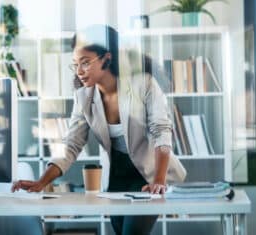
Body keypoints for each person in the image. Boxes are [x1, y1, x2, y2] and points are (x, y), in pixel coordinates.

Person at [12, 24, 186, 235]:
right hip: (116, 177)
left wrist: (159, 181)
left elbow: (161, 130)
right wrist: (42, 182)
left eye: (85, 63)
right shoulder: (83, 95)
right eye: (75, 64)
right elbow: (72, 144)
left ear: (107, 58)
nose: (79, 71)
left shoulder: (143, 84)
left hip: (148, 175)